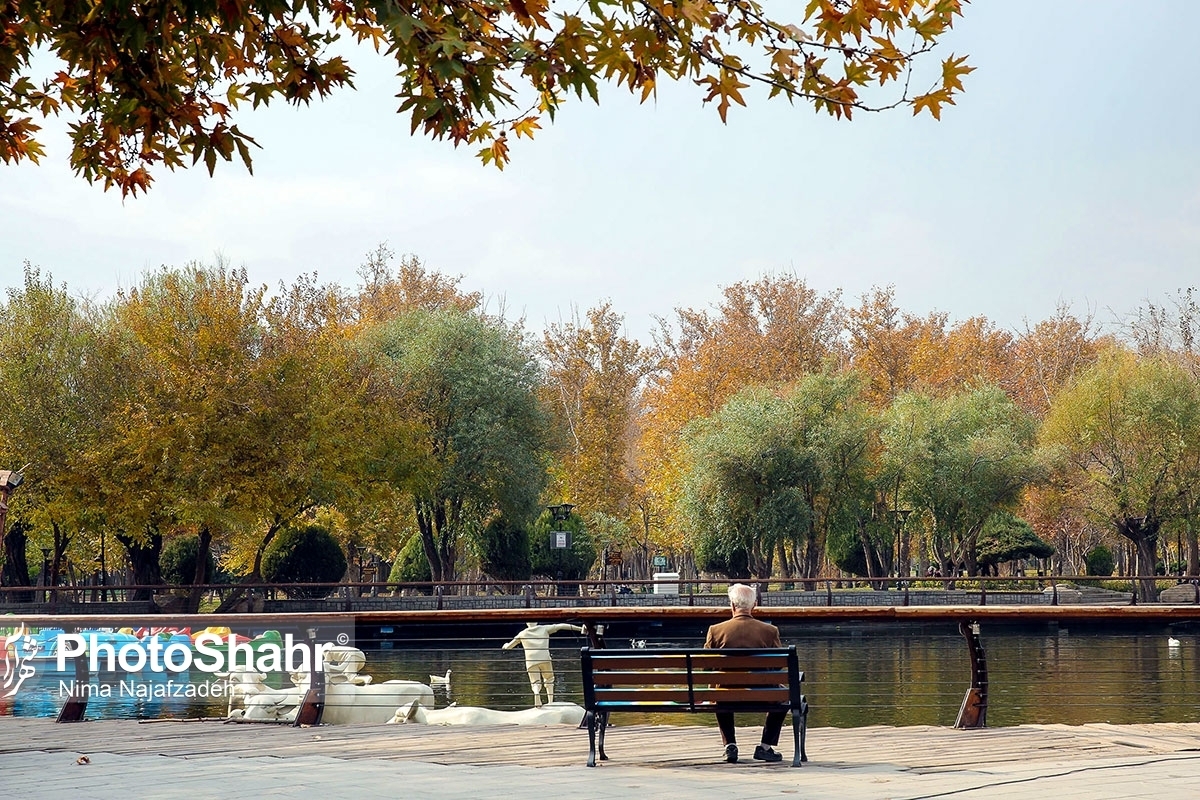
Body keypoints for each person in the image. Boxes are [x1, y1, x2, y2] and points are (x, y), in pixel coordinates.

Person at [703, 583, 787, 764]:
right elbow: (779, 665)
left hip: (725, 694)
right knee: (784, 695)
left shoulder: (715, 631)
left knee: (719, 689)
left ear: (732, 605)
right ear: (754, 605)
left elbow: (705, 667)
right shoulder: (770, 631)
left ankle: (730, 746)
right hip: (764, 694)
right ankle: (765, 747)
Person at [501, 622, 586, 707]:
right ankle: (550, 702)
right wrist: (580, 629)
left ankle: (537, 693)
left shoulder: (522, 633)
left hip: (531, 661)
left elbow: (509, 646)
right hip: (544, 658)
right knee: (549, 679)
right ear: (536, 622)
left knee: (535, 682)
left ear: (527, 623)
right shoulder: (544, 628)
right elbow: (561, 626)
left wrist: (505, 645)